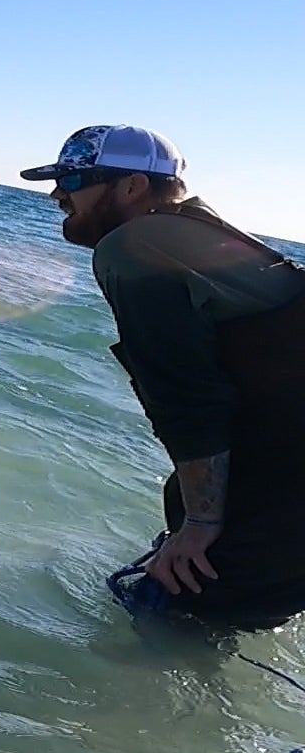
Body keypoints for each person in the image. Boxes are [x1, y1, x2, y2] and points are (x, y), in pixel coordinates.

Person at [21, 125, 305, 632]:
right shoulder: (208, 237)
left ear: (132, 186)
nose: (58, 194)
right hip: (280, 498)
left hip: (282, 508)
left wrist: (200, 523)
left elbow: (187, 398)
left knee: (169, 633)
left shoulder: (135, 245)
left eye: (74, 179)